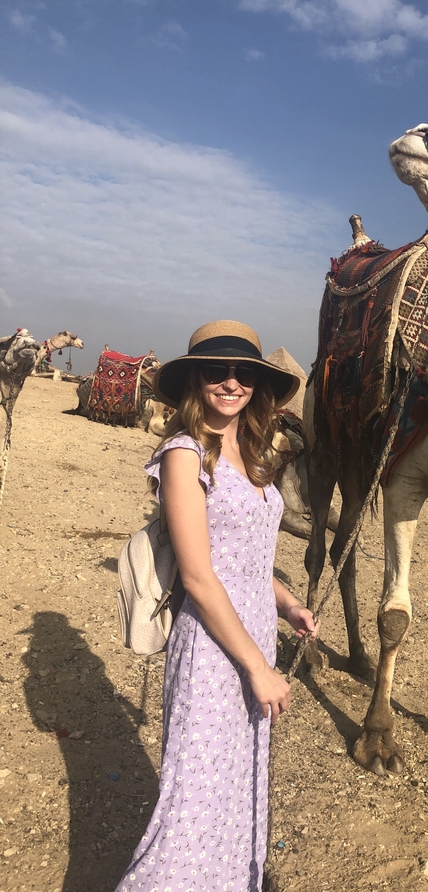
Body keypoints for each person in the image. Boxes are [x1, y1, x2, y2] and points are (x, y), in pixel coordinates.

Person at [115, 320, 318, 892]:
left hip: (253, 633)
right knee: (193, 804)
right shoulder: (184, 455)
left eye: (243, 372)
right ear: (195, 380)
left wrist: (288, 604)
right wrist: (258, 666)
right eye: (217, 371)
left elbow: (246, 561)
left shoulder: (252, 454)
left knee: (236, 790)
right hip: (213, 649)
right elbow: (201, 578)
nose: (231, 382)